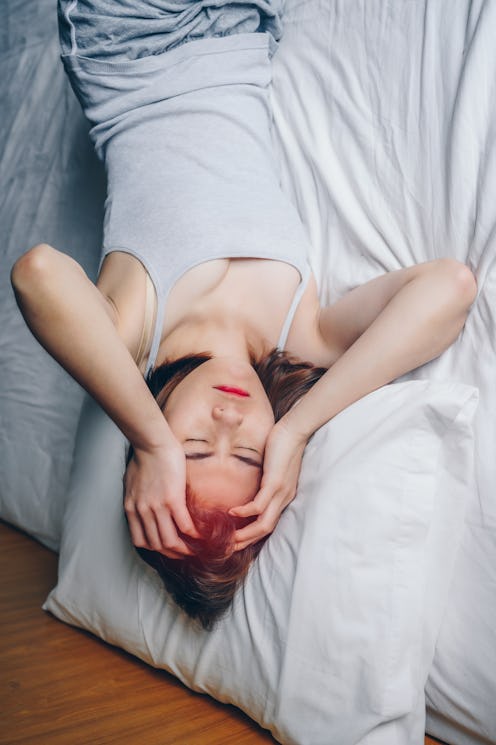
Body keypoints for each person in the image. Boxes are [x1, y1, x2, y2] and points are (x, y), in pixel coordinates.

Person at [10, 1, 478, 629]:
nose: (232, 418)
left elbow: (36, 275)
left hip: (131, 34)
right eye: (250, 456)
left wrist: (150, 440)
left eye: (197, 448)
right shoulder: (301, 337)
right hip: (243, 30)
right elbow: (449, 288)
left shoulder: (133, 338)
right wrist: (295, 431)